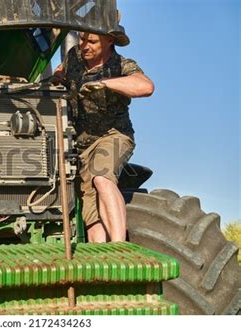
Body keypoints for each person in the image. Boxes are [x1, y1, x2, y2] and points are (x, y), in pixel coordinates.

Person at [54, 26, 154, 243]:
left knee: (102, 177)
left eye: (92, 42)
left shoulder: (121, 65)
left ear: (109, 41)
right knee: (91, 215)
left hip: (113, 136)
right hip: (81, 147)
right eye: (82, 39)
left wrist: (104, 83)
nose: (84, 46)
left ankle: (119, 246)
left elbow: (145, 86)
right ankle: (101, 263)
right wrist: (56, 80)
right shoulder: (75, 57)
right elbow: (60, 73)